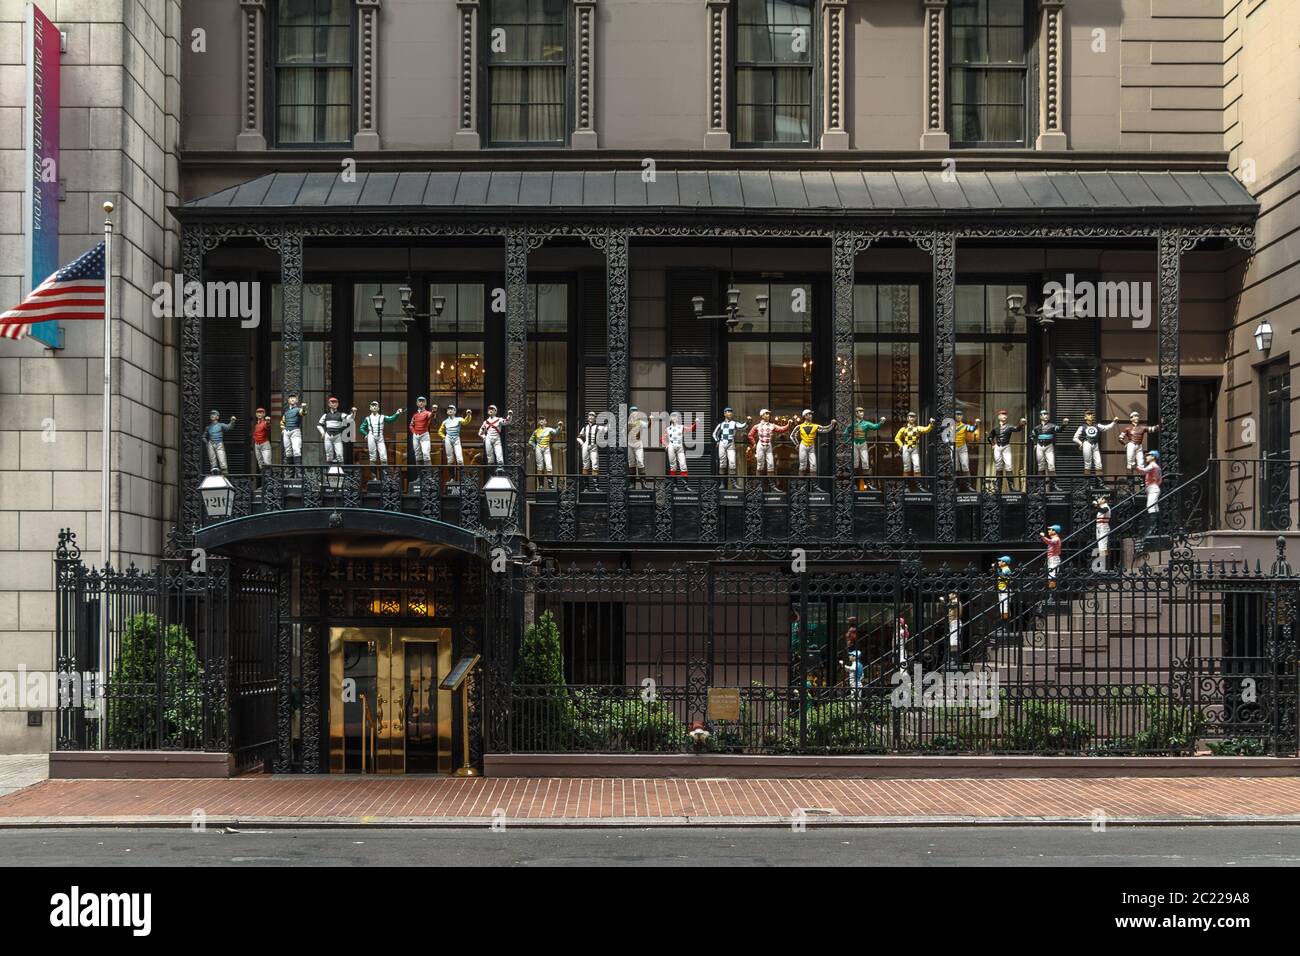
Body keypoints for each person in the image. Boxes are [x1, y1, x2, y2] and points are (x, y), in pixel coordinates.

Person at [748, 409, 793, 490]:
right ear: (762, 415)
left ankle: (771, 486)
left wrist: (788, 424)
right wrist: (754, 443)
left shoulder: (772, 425)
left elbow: (782, 429)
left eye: (768, 414)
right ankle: (758, 486)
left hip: (768, 446)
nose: (768, 415)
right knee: (760, 465)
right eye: (766, 414)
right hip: (760, 446)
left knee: (771, 465)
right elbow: (750, 435)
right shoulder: (757, 426)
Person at [844, 407, 887, 491]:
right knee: (855, 464)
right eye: (860, 412)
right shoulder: (853, 424)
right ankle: (855, 484)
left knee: (865, 463)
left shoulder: (866, 423)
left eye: (862, 412)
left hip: (863, 444)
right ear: (856, 413)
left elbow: (875, 427)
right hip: (855, 444)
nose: (862, 413)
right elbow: (846, 431)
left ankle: (868, 484)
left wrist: (881, 422)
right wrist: (847, 442)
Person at [1073, 412, 1119, 487]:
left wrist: (1113, 422)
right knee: (1087, 464)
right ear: (1085, 417)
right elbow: (1075, 438)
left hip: (1095, 444)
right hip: (1087, 443)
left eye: (1091, 415)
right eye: (1088, 415)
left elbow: (1106, 427)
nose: (1091, 416)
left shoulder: (1097, 425)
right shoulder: (1082, 427)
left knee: (1099, 464)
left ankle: (1100, 484)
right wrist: (1080, 443)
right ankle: (1087, 485)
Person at [987, 410, 1027, 494]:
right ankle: (998, 489)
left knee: (1008, 466)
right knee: (998, 467)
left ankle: (1011, 488)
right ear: (999, 417)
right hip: (998, 447)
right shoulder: (996, 429)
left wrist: (1021, 424)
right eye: (1002, 414)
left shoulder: (1009, 427)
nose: (1004, 416)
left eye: (1005, 414)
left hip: (1006, 447)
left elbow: (1017, 429)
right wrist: (993, 444)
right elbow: (990, 437)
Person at [894, 411, 936, 492]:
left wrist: (931, 424)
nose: (912, 418)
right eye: (910, 417)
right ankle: (906, 486)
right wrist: (901, 445)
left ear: (915, 418)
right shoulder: (903, 429)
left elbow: (926, 429)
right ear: (907, 418)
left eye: (913, 417)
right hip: (906, 447)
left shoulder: (918, 428)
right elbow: (897, 438)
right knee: (906, 467)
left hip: (914, 447)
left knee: (917, 465)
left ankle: (919, 485)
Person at [793, 409, 837, 481]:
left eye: (811, 414)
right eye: (809, 414)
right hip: (803, 445)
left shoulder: (815, 426)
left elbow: (825, 429)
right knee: (802, 464)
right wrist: (797, 444)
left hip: (811, 446)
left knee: (813, 464)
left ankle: (814, 483)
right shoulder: (799, 426)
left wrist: (832, 424)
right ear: (805, 416)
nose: (811, 416)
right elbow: (792, 435)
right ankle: (801, 482)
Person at [712, 408, 751, 488]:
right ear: (724, 414)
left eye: (731, 412)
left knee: (732, 463)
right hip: (722, 443)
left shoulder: (734, 423)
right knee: (722, 463)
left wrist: (747, 422)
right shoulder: (721, 424)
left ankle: (734, 484)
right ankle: (722, 483)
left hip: (731, 443)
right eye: (728, 412)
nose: (730, 413)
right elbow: (714, 433)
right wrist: (717, 441)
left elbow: (742, 427)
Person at [1033, 410, 1069, 492]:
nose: (1046, 416)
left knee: (1051, 465)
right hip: (1040, 446)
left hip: (1049, 446)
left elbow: (1059, 429)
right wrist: (1035, 444)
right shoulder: (1037, 427)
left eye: (1047, 414)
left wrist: (1064, 424)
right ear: (1040, 416)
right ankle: (1040, 487)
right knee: (1040, 466)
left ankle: (1054, 485)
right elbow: (1032, 435)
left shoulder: (1052, 426)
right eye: (1044, 414)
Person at [1120, 411, 1160, 484]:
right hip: (1131, 445)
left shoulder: (1142, 428)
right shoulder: (1127, 428)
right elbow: (1120, 438)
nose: (1136, 417)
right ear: (1131, 418)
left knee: (1141, 463)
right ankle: (1130, 482)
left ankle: (1141, 482)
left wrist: (1160, 424)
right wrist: (1126, 444)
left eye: (1137, 416)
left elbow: (1152, 429)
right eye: (1134, 416)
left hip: (1139, 446)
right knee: (1130, 463)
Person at [359, 401, 402, 467]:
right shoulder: (367, 418)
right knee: (372, 457)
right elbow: (361, 428)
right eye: (372, 405)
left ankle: (384, 475)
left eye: (375, 405)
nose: (374, 407)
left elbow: (391, 419)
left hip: (380, 437)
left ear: (378, 408)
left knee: (383, 456)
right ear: (370, 408)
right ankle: (374, 476)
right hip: (371, 436)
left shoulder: (382, 417)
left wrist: (397, 413)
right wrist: (366, 434)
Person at [318, 397, 356, 466]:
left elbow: (349, 419)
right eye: (332, 402)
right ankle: (329, 471)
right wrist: (322, 433)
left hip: (337, 435)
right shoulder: (326, 415)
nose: (334, 404)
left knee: (339, 454)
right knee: (329, 455)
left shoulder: (341, 414)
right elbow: (319, 425)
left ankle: (340, 472)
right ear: (329, 404)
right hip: (328, 436)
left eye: (335, 402)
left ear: (338, 404)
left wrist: (353, 413)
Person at [661, 411, 697, 483]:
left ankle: (685, 485)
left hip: (680, 447)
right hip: (671, 446)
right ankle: (674, 485)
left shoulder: (681, 427)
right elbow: (662, 439)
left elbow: (691, 429)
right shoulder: (668, 429)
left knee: (683, 465)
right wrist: (666, 445)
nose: (675, 418)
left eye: (676, 417)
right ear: (670, 418)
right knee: (673, 466)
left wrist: (696, 423)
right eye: (673, 417)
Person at [530, 416, 564, 488]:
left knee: (549, 466)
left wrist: (559, 426)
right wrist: (534, 446)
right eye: (540, 420)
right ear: (538, 422)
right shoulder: (536, 431)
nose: (541, 421)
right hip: (539, 448)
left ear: (546, 422)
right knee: (540, 467)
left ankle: (550, 484)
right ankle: (541, 485)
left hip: (546, 448)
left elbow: (556, 432)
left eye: (543, 420)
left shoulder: (549, 429)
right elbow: (530, 441)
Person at [950, 411, 980, 491]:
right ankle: (956, 486)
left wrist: (976, 424)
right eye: (957, 415)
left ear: (962, 417)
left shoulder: (964, 426)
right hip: (954, 446)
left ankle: (968, 485)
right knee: (955, 467)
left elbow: (972, 429)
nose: (959, 416)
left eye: (960, 415)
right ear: (954, 416)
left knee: (965, 465)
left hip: (962, 447)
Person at [576, 411, 606, 488]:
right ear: (588, 417)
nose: (591, 417)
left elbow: (606, 429)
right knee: (585, 465)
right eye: (590, 416)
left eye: (593, 416)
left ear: (595, 418)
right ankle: (586, 486)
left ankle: (596, 486)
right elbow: (578, 437)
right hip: (586, 445)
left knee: (595, 464)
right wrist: (582, 444)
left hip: (594, 446)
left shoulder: (598, 427)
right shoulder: (584, 428)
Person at [205, 409, 236, 475]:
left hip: (219, 443)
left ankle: (224, 473)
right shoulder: (208, 427)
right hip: (211, 443)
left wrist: (232, 421)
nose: (212, 416)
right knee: (212, 459)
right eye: (211, 414)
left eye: (214, 414)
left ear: (217, 417)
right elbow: (203, 436)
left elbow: (229, 427)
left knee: (222, 459)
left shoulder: (221, 425)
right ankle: (214, 470)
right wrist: (207, 442)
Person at [280, 393, 306, 469]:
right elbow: (282, 422)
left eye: (294, 398)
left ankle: (298, 472)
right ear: (288, 400)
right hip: (287, 431)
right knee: (288, 451)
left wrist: (304, 408)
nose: (292, 399)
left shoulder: (298, 409)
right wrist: (283, 429)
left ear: (297, 400)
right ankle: (290, 472)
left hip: (295, 430)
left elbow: (303, 413)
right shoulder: (286, 412)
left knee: (296, 450)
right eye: (291, 398)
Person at [408, 397, 435, 467]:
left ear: (425, 403)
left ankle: (429, 477)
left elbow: (431, 416)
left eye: (423, 401)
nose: (421, 403)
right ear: (417, 403)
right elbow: (411, 425)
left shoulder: (427, 413)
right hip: (416, 436)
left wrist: (434, 411)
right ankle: (420, 476)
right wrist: (414, 432)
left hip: (424, 435)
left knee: (426, 454)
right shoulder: (415, 415)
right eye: (419, 401)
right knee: (417, 455)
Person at [1140, 449, 1163, 537]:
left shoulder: (1153, 466)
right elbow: (1160, 480)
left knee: (1151, 507)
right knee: (1154, 507)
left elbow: (1143, 471)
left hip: (1153, 488)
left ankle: (1153, 528)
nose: (1147, 457)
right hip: (1153, 487)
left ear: (1153, 457)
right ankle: (1155, 528)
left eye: (1149, 455)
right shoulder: (1155, 466)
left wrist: (1136, 467)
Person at [627, 405, 648, 489]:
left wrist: (650, 420)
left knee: (640, 461)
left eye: (635, 412)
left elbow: (648, 425)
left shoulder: (640, 422)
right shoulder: (628, 423)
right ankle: (632, 484)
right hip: (630, 444)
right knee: (631, 463)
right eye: (632, 412)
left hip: (638, 444)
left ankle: (643, 483)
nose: (634, 414)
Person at [1040, 524, 1063, 589]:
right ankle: (1051, 590)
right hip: (1051, 558)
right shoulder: (1054, 538)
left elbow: (1050, 542)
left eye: (1050, 529)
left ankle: (1052, 591)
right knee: (1050, 574)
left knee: (1052, 575)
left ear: (1054, 531)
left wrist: (1043, 537)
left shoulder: (1056, 539)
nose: (1049, 531)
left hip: (1054, 558)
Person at [1094, 494, 1112, 571]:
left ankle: (1103, 567)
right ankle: (1103, 566)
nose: (1098, 500)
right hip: (1099, 528)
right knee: (1101, 546)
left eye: (1100, 499)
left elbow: (1104, 511)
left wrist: (1096, 506)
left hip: (1103, 528)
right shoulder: (1101, 507)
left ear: (1104, 500)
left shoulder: (1106, 507)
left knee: (1102, 547)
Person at [251, 407, 272, 473]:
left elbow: (267, 426)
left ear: (264, 414)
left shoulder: (265, 422)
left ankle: (269, 480)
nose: (259, 414)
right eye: (258, 412)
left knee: (267, 462)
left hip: (264, 444)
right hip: (257, 444)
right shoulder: (257, 424)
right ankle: (264, 479)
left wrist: (268, 422)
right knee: (260, 463)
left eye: (261, 412)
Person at [995, 556, 1013, 621]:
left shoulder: (1006, 569)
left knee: (1005, 607)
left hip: (1005, 590)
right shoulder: (1002, 569)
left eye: (1000, 561)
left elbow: (1003, 577)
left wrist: (996, 570)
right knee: (1002, 607)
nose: (998, 562)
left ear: (1004, 562)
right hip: (1002, 590)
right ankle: (1004, 625)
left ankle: (1005, 625)